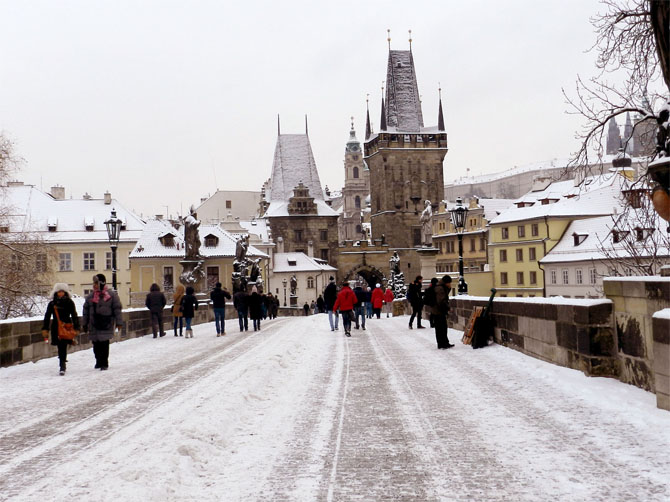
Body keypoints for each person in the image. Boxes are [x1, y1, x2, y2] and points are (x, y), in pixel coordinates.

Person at [82, 274, 122, 371]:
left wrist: (119, 322)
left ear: (101, 283)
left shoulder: (111, 295)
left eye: (96, 283)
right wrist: (84, 323)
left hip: (106, 323)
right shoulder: (90, 297)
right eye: (94, 283)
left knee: (104, 344)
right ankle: (98, 360)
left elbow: (117, 309)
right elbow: (85, 311)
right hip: (94, 324)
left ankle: (104, 362)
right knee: (96, 345)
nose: (94, 285)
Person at [42, 283, 80, 375]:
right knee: (60, 346)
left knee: (63, 345)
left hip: (66, 327)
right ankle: (62, 363)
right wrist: (45, 328)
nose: (61, 293)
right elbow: (47, 316)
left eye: (62, 291)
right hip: (56, 327)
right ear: (56, 292)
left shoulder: (69, 302)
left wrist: (76, 327)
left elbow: (74, 315)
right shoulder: (52, 304)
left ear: (65, 292)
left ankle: (62, 365)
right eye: (59, 292)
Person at [430, 275, 454, 349]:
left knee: (440, 328)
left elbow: (444, 296)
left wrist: (448, 289)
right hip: (439, 311)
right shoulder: (440, 288)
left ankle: (442, 343)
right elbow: (441, 300)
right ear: (446, 282)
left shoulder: (439, 287)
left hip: (437, 310)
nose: (450, 284)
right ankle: (443, 344)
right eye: (449, 283)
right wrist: (447, 308)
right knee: (442, 328)